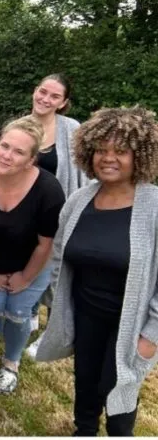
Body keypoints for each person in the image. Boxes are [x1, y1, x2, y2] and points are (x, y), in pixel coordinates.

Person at [37, 107, 158, 436]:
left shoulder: (154, 207)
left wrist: (152, 336)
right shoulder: (79, 200)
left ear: (140, 156)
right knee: (86, 386)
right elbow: (61, 254)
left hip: (130, 324)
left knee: (117, 391)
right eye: (102, 150)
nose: (109, 158)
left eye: (121, 151)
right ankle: (84, 431)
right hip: (87, 314)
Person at [0, 116, 65, 394]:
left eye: (19, 152)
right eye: (5, 146)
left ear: (31, 160)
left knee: (18, 311)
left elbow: (46, 244)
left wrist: (25, 279)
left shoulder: (49, 190)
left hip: (33, 261)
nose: (7, 155)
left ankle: (11, 364)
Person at [26, 73, 89, 358]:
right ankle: (28, 316)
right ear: (34, 91)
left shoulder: (72, 129)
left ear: (63, 103)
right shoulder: (21, 126)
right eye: (43, 91)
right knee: (28, 264)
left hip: (60, 214)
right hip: (25, 212)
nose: (45, 99)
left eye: (54, 96)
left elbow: (85, 173)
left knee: (59, 271)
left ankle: (54, 334)